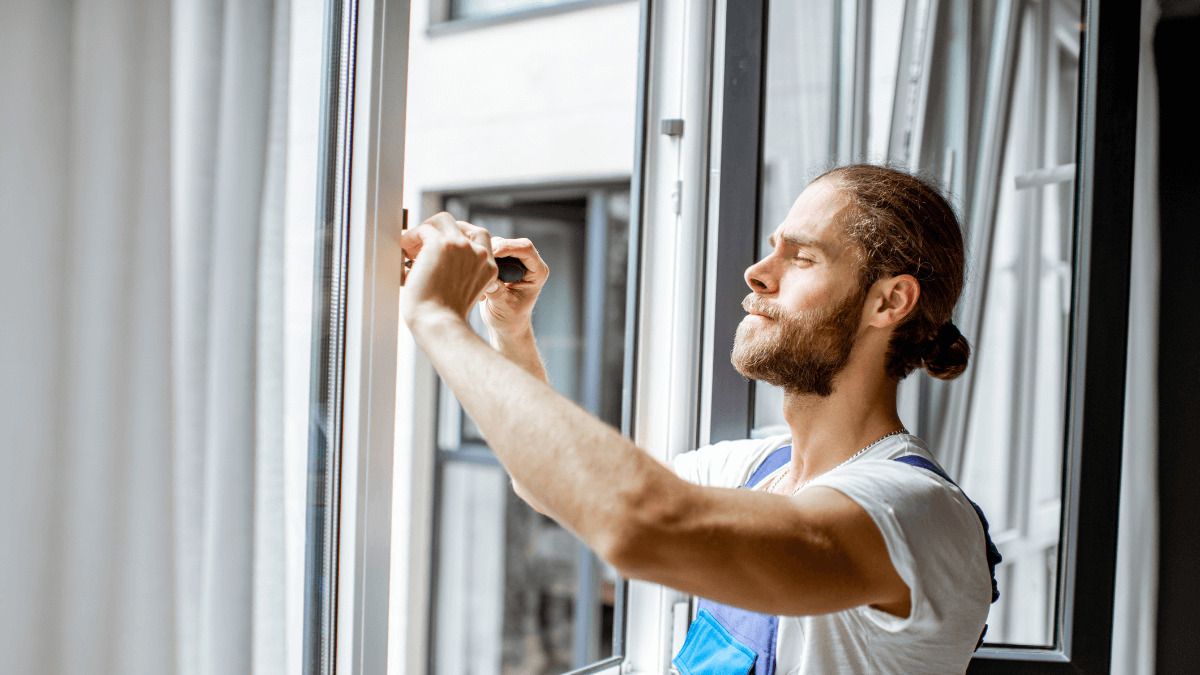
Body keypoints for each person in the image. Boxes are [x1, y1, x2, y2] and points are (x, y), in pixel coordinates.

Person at [399, 164, 999, 674]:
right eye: (772, 248)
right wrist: (510, 330)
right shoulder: (754, 468)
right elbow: (553, 484)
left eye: (803, 257)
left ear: (888, 301)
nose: (759, 273)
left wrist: (435, 319)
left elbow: (640, 526)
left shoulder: (914, 512)